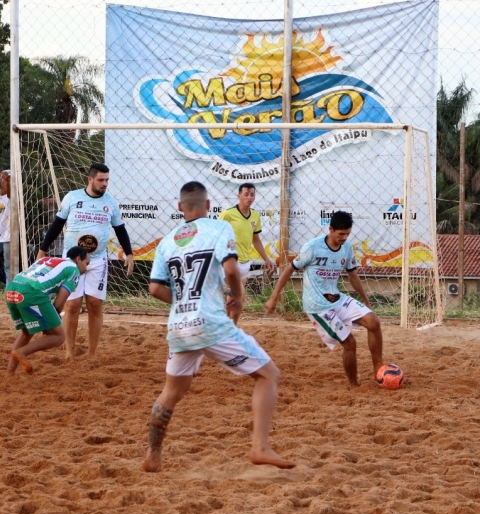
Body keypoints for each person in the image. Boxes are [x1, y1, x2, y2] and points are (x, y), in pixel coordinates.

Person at [142, 181, 295, 473]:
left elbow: (153, 289)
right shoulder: (219, 228)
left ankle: (153, 454)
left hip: (179, 326)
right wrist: (236, 295)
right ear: (208, 206)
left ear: (179, 208)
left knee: (171, 393)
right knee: (268, 374)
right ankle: (260, 447)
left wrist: (183, 300)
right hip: (210, 322)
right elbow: (229, 269)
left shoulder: (166, 241)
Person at [265, 211, 385, 388]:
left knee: (373, 322)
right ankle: (354, 385)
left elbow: (353, 275)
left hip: (336, 298)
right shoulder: (312, 247)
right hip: (318, 306)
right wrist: (274, 297)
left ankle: (379, 369)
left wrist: (365, 300)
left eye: (347, 234)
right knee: (350, 343)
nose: (344, 237)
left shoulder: (347, 248)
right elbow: (289, 270)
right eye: (341, 234)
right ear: (331, 229)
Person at [36, 162, 134, 361]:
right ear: (90, 179)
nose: (105, 183)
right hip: (72, 262)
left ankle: (92, 353)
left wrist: (129, 253)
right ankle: (69, 352)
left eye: (107, 180)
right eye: (100, 180)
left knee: (95, 304)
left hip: (97, 260)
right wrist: (42, 250)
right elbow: (57, 225)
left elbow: (120, 229)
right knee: (71, 306)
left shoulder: (111, 202)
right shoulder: (72, 197)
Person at [6, 246, 90, 375]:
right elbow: (59, 303)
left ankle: (10, 372)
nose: (86, 268)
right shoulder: (74, 270)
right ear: (78, 259)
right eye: (86, 263)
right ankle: (22, 352)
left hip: (12, 288)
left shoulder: (46, 259)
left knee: (27, 332)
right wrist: (52, 323)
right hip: (32, 292)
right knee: (59, 336)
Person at [219, 183, 275, 324]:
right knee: (239, 296)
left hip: (245, 262)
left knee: (232, 298)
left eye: (252, 194)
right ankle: (233, 328)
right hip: (230, 261)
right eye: (246, 194)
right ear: (239, 196)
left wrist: (267, 259)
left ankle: (226, 326)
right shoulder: (228, 214)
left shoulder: (255, 215)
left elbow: (256, 240)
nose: (249, 197)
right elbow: (216, 234)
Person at [0, 169, 11, 286]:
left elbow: (10, 193)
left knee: (9, 267)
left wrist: (7, 181)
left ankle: (9, 291)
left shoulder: (12, 196)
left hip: (8, 236)